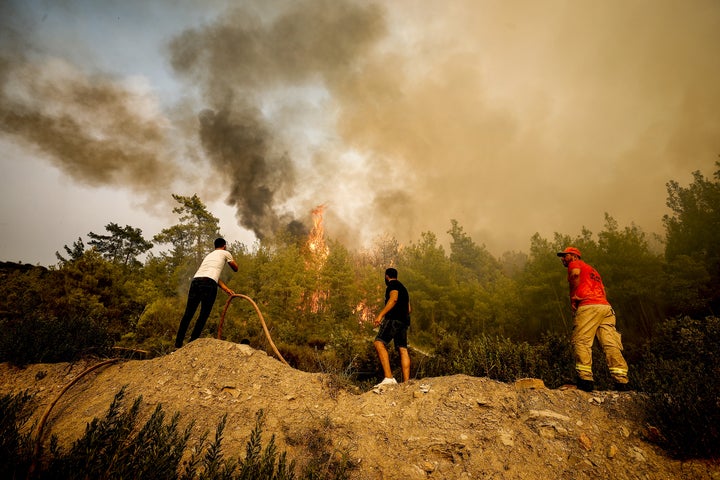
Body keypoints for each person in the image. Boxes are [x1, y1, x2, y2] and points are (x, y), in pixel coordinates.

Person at [556, 247, 630, 392]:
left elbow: (575, 275)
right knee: (610, 344)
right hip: (605, 307)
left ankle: (585, 381)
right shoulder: (593, 270)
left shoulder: (575, 264)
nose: (563, 259)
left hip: (588, 306)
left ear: (574, 256)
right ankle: (622, 382)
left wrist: (574, 297)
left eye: (565, 256)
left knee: (581, 341)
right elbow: (603, 289)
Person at [175, 238, 238, 348]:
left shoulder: (209, 256)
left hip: (196, 282)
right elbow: (235, 268)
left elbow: (214, 277)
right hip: (208, 284)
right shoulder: (225, 253)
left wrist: (227, 290)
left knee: (188, 314)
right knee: (203, 315)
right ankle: (191, 343)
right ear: (224, 245)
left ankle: (178, 344)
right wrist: (231, 259)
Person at [373, 268, 411, 388]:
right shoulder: (404, 288)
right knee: (403, 349)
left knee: (379, 343)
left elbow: (393, 298)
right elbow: (409, 309)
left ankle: (389, 378)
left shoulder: (392, 285)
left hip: (393, 319)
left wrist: (380, 315)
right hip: (404, 321)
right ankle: (406, 383)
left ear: (387, 276)